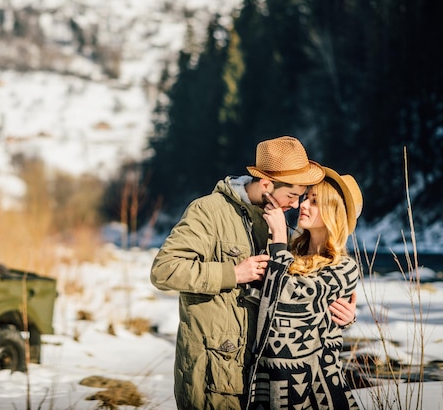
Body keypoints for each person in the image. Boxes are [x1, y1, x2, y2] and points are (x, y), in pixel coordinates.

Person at [150, 136, 357, 410]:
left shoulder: (281, 230)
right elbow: (164, 270)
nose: (297, 206)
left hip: (259, 380)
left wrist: (339, 318)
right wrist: (233, 273)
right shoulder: (210, 212)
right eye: (295, 195)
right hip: (216, 377)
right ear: (268, 185)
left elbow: (295, 299)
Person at [248, 167, 363, 409]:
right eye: (305, 197)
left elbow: (293, 298)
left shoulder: (345, 266)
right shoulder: (290, 253)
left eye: (315, 201)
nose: (303, 204)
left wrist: (279, 239)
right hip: (267, 382)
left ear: (334, 212)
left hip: (315, 390)